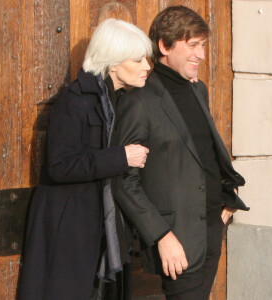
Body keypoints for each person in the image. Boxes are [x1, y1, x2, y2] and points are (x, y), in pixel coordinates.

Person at [114, 6, 249, 300]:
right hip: (176, 238)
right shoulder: (139, 100)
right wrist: (161, 235)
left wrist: (228, 198)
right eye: (193, 46)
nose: (201, 55)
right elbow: (124, 181)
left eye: (203, 46)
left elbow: (204, 153)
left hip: (212, 226)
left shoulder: (198, 89)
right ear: (164, 45)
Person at [18, 18, 152, 300]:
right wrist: (121, 157)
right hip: (70, 229)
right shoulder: (74, 99)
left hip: (104, 230)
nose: (147, 66)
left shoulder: (120, 101)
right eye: (138, 59)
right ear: (113, 61)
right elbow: (60, 165)